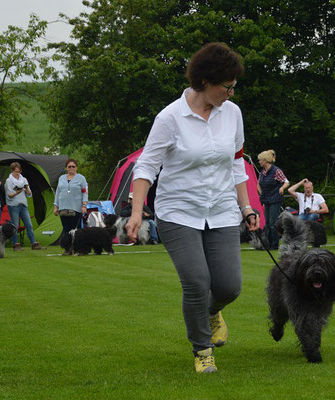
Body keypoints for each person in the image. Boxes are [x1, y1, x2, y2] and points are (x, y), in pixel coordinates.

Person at [124, 42, 259, 374]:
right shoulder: (170, 118)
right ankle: (202, 349)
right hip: (179, 212)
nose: (230, 92)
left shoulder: (233, 114)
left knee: (229, 286)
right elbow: (145, 168)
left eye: (233, 86)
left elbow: (237, 164)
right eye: (226, 86)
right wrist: (138, 212)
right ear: (204, 82)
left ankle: (212, 311)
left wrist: (246, 207)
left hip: (223, 210)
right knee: (197, 281)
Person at [5, 162, 45, 250]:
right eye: (16, 172)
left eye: (19, 172)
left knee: (29, 225)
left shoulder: (24, 180)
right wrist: (17, 192)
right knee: (15, 225)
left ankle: (33, 243)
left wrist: (26, 188)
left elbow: (29, 194)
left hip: (23, 205)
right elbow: (9, 195)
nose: (17, 174)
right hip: (13, 205)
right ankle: (16, 244)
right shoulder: (9, 181)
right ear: (12, 171)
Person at [257, 149, 290, 249]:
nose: (259, 162)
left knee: (273, 223)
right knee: (267, 224)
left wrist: (282, 188)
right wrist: (261, 193)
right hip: (266, 199)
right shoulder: (263, 172)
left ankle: (274, 245)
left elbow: (286, 182)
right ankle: (267, 244)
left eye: (260, 160)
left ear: (265, 160)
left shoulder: (276, 171)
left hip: (275, 199)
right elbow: (258, 184)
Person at [53, 158, 88, 246]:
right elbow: (58, 192)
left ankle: (79, 247)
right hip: (63, 208)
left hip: (76, 208)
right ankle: (67, 248)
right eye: (69, 166)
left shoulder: (81, 178)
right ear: (66, 168)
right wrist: (55, 206)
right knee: (66, 230)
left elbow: (85, 192)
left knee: (77, 230)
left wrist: (84, 205)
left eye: (73, 166)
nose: (71, 168)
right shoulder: (61, 178)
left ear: (76, 168)